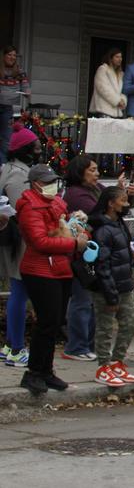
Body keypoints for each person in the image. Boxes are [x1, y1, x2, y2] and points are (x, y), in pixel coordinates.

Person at [17, 164, 88, 395]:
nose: (52, 186)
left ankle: (45, 370)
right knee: (47, 322)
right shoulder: (30, 207)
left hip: (59, 268)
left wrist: (80, 228)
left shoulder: (56, 204)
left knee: (55, 322)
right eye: (47, 182)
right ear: (36, 183)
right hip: (39, 270)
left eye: (53, 181)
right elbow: (39, 242)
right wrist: (72, 243)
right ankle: (34, 373)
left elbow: (70, 226)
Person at [61, 155, 134, 362]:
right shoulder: (77, 195)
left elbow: (114, 206)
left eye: (97, 170)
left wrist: (124, 194)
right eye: (92, 170)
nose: (97, 174)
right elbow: (100, 211)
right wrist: (117, 197)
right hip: (86, 255)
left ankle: (91, 345)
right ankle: (76, 346)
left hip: (101, 253)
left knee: (94, 305)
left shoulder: (97, 190)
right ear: (80, 172)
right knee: (83, 301)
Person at [88, 186, 134, 388]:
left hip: (124, 286)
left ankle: (117, 361)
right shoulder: (103, 230)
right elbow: (102, 265)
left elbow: (126, 253)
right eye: (123, 200)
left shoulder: (119, 224)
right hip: (108, 289)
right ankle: (103, 366)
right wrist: (110, 295)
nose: (127, 204)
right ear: (111, 204)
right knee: (105, 328)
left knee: (130, 323)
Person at [0, 123, 40, 368]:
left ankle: (9, 345)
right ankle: (16, 348)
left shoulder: (13, 169)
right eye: (35, 147)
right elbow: (21, 208)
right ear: (24, 149)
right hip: (21, 239)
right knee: (19, 291)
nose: (39, 150)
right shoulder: (17, 173)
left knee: (19, 290)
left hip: (18, 237)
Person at [0, 45, 29, 163]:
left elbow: (26, 87)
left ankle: (3, 166)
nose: (12, 57)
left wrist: (27, 92)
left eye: (14, 55)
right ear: (3, 56)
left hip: (9, 109)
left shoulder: (20, 71)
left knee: (6, 139)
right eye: (9, 54)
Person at [88, 48, 127, 118]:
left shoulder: (121, 74)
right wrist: (117, 101)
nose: (120, 59)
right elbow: (103, 89)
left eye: (121, 57)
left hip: (116, 111)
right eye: (117, 57)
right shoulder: (103, 69)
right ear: (111, 58)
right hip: (103, 109)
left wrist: (123, 100)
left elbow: (121, 91)